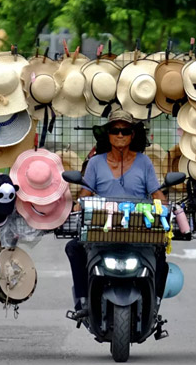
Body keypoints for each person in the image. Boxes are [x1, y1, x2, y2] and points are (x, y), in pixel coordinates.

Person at [65, 109, 167, 318]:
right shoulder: (95, 162)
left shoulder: (144, 163)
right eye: (115, 131)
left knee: (161, 255)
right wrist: (76, 208)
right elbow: (85, 195)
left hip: (139, 231)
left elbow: (157, 195)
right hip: (103, 231)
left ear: (132, 135)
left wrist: (165, 210)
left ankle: (154, 304)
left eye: (125, 131)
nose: (120, 135)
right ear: (108, 135)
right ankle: (83, 300)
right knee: (74, 247)